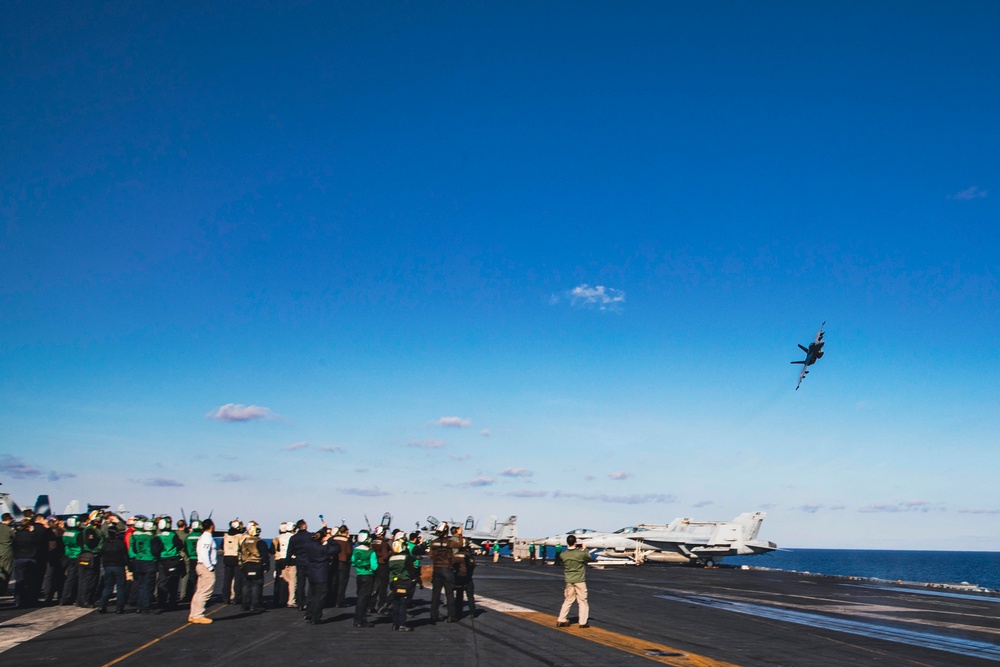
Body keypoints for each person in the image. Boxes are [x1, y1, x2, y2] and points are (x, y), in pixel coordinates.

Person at [302, 528, 340, 625]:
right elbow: (337, 549)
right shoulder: (323, 549)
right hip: (321, 575)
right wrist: (330, 540)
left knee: (313, 594)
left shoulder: (309, 546)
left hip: (312, 573)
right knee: (321, 596)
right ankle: (316, 617)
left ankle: (309, 613)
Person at [555, 534, 590, 628]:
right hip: (579, 579)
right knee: (582, 601)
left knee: (568, 600)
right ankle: (582, 622)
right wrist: (585, 549)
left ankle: (561, 619)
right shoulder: (580, 554)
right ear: (575, 542)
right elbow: (588, 558)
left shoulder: (563, 555)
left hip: (569, 580)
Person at [128, 517, 160, 614]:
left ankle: (140, 606)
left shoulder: (137, 537)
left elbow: (133, 549)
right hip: (149, 563)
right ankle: (146, 607)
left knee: (141, 585)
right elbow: (155, 551)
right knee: (148, 586)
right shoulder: (153, 538)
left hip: (139, 562)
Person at [152, 515, 185, 610]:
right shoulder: (173, 535)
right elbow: (179, 546)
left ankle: (161, 601)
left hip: (162, 560)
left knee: (162, 581)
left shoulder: (158, 536)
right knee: (173, 582)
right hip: (173, 560)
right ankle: (172, 601)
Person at [387, 536, 418, 631]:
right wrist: (414, 579)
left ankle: (395, 623)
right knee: (403, 603)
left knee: (396, 602)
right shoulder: (406, 557)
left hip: (394, 582)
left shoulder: (391, 558)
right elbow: (412, 571)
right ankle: (402, 624)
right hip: (404, 581)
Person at [189, 518, 217, 624]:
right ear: (211, 526)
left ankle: (193, 614)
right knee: (206, 591)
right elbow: (205, 554)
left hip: (200, 565)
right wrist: (210, 567)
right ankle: (198, 615)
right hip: (206, 567)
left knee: (199, 591)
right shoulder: (207, 538)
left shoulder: (202, 537)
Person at [238, 521, 270, 612]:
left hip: (246, 564)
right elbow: (264, 555)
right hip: (256, 564)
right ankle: (255, 604)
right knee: (256, 585)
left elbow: (240, 553)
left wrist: (241, 564)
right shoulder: (260, 542)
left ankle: (245, 604)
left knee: (246, 585)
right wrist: (266, 566)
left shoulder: (244, 541)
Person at [97, 525, 128, 614]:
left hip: (108, 567)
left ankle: (102, 605)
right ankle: (119, 608)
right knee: (120, 588)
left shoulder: (105, 544)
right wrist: (128, 566)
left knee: (108, 587)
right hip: (118, 566)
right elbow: (125, 556)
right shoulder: (120, 543)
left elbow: (102, 555)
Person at [77, 510, 105, 607]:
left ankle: (81, 600)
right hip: (91, 556)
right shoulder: (91, 530)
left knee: (83, 579)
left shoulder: (87, 529)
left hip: (84, 555)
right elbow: (91, 543)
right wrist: (99, 546)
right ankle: (86, 600)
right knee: (90, 579)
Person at [351, 529, 377, 627]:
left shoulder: (356, 549)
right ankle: (361, 620)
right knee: (364, 598)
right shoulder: (370, 551)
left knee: (360, 597)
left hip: (359, 575)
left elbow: (353, 562)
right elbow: (374, 566)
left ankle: (357, 618)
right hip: (368, 575)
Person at [429, 529, 456, 623]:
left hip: (436, 569)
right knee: (449, 593)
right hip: (447, 569)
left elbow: (431, 555)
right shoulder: (450, 542)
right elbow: (459, 546)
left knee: (435, 594)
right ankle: (451, 616)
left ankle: (433, 615)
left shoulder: (433, 542)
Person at [12, 518, 37, 608]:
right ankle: (29, 600)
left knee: (19, 581)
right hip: (30, 558)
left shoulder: (16, 535)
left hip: (19, 558)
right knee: (30, 581)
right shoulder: (33, 535)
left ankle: (18, 600)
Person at [287, 519, 311, 611]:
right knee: (311, 583)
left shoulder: (293, 538)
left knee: (300, 583)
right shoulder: (310, 536)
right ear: (304, 526)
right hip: (309, 561)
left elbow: (289, 552)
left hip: (299, 562)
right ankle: (309, 602)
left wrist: (287, 563)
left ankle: (301, 603)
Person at [221, 519, 246, 605]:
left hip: (227, 558)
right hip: (236, 558)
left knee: (227, 579)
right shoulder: (240, 536)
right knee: (238, 579)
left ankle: (225, 597)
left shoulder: (226, 536)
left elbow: (222, 546)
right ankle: (237, 597)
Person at [272, 522, 296, 608]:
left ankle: (280, 599)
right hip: (291, 560)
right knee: (292, 582)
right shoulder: (293, 538)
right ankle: (291, 600)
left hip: (280, 560)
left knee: (281, 580)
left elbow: (273, 549)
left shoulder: (278, 538)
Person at [369, 525, 391, 614]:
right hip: (383, 566)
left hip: (375, 565)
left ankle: (371, 606)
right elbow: (385, 556)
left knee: (375, 587)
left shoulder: (373, 542)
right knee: (383, 587)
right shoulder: (384, 543)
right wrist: (390, 553)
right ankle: (382, 606)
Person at [453, 538, 477, 620]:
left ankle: (458, 613)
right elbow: (472, 565)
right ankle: (472, 612)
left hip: (458, 577)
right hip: (467, 578)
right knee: (470, 595)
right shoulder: (468, 555)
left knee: (459, 596)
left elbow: (452, 566)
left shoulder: (456, 555)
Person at [332, 524, 352, 607]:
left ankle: (333, 599)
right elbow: (349, 552)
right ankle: (340, 601)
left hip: (334, 562)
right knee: (342, 583)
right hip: (344, 562)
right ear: (346, 531)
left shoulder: (334, 539)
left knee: (334, 581)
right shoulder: (347, 540)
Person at [0, 513, 13, 596]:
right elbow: (14, 538)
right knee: (6, 571)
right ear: (9, 519)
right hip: (6, 551)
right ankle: (3, 589)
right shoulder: (9, 529)